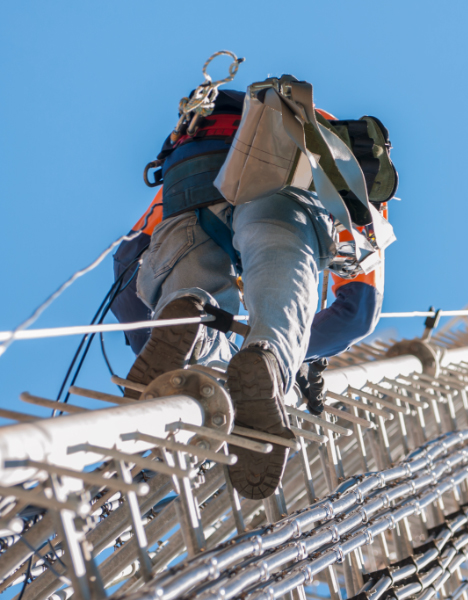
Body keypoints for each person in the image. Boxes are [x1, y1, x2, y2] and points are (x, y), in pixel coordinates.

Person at [111, 83, 396, 499]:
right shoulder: (337, 153)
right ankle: (268, 359)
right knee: (280, 270)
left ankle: (197, 328)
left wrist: (149, 341)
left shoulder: (216, 123)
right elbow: (357, 311)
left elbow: (126, 266)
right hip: (289, 187)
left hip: (189, 176)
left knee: (186, 291)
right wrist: (297, 353)